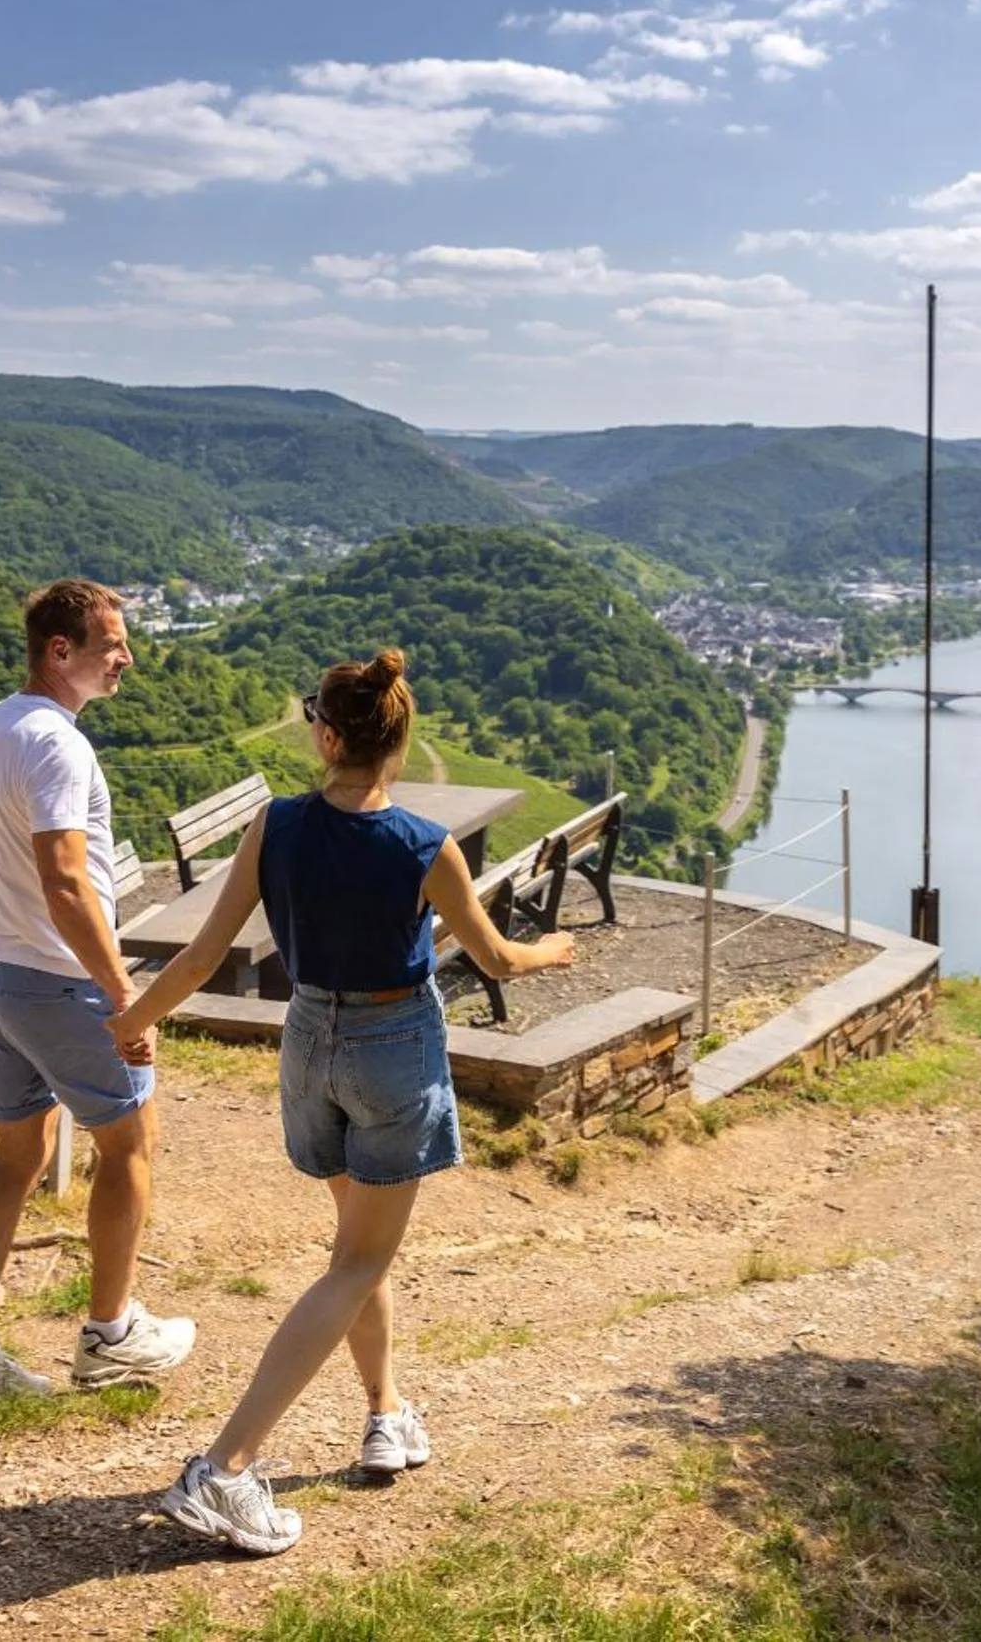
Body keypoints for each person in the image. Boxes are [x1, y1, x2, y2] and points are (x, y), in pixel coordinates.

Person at [110, 648, 576, 1555]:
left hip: (307, 1045)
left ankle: (385, 1412)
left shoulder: (275, 826)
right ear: (397, 740)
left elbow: (202, 956)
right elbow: (494, 957)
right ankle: (225, 1466)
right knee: (358, 1260)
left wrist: (132, 1020)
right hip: (391, 1048)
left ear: (325, 737)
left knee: (358, 1248)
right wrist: (551, 950)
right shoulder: (423, 845)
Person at [0, 579, 196, 1422]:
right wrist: (123, 995)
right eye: (112, 645)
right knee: (131, 1142)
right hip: (56, 980)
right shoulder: (58, 746)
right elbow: (66, 882)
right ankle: (111, 1335)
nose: (127, 658)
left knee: (17, 1156)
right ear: (60, 650)